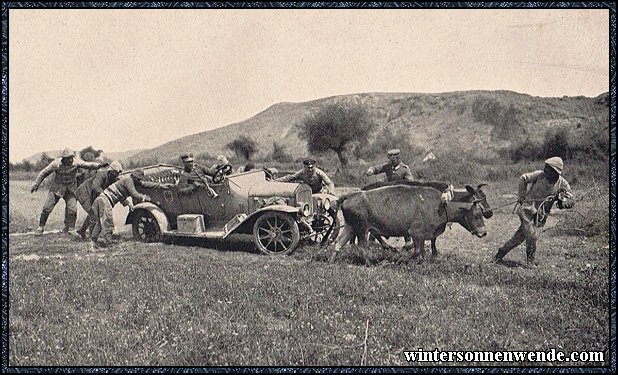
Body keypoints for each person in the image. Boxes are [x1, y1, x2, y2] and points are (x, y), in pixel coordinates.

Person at [493, 157, 575, 266]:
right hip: (526, 210)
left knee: (519, 237)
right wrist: (522, 196)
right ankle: (530, 262)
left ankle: (499, 255)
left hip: (539, 216)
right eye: (545, 168)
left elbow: (570, 201)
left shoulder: (563, 185)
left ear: (555, 172)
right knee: (532, 236)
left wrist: (561, 202)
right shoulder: (539, 175)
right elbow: (523, 178)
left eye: (548, 169)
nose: (545, 170)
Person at [30, 147, 108, 236]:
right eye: (68, 158)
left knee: (72, 209)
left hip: (71, 189)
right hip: (57, 188)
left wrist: (99, 166)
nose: (71, 160)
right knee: (47, 207)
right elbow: (44, 172)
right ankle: (41, 227)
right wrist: (36, 184)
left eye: (72, 157)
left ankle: (71, 229)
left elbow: (88, 165)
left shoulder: (76, 162)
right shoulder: (56, 163)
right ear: (64, 159)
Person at [89, 169, 151, 249]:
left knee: (100, 223)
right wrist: (144, 197)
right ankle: (108, 243)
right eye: (138, 179)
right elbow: (134, 194)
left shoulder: (127, 180)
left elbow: (145, 184)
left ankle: (93, 242)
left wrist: (160, 186)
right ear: (134, 177)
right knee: (108, 222)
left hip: (101, 198)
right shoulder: (128, 180)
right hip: (105, 200)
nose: (139, 181)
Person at [365, 148, 414, 246]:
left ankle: (408, 239)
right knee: (378, 214)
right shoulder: (388, 166)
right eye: (390, 159)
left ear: (398, 158)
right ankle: (372, 237)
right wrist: (371, 170)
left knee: (403, 217)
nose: (391, 161)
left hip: (400, 198)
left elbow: (411, 184)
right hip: (387, 197)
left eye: (393, 159)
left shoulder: (405, 169)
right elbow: (377, 168)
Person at [75, 160, 123, 239]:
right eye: (116, 173)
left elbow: (117, 191)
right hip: (84, 192)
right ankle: (91, 236)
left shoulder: (113, 179)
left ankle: (82, 231)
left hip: (92, 194)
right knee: (93, 214)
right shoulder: (101, 175)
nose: (117, 175)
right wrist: (105, 194)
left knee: (93, 212)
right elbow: (95, 186)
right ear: (111, 171)